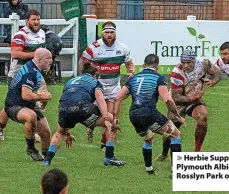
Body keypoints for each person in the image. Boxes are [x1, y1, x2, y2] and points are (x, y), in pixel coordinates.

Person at [113, 54, 185, 174]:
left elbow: (117, 98)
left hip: (134, 115)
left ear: (143, 65)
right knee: (175, 135)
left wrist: (115, 118)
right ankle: (175, 171)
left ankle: (149, 170)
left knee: (148, 137)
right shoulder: (158, 78)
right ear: (157, 67)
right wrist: (178, 116)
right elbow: (167, 100)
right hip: (149, 113)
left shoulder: (133, 78)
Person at [43, 62, 125, 167]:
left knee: (60, 132)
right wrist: (106, 118)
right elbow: (100, 99)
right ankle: (109, 157)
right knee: (112, 122)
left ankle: (47, 160)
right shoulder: (95, 82)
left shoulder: (70, 81)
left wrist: (67, 132)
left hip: (64, 108)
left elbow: (67, 99)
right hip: (83, 108)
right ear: (95, 75)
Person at [79, 21, 135, 149]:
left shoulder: (122, 48)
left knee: (112, 116)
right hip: (96, 88)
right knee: (94, 116)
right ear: (102, 33)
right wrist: (85, 77)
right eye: (106, 32)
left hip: (114, 88)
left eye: (111, 32)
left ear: (115, 33)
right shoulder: (93, 47)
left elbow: (130, 63)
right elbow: (83, 62)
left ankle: (105, 145)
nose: (109, 35)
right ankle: (91, 127)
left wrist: (131, 72)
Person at [158, 50, 221, 160]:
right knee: (171, 131)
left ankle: (197, 152)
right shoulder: (177, 72)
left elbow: (217, 72)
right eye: (183, 62)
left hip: (195, 100)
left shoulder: (203, 63)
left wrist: (213, 81)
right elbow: (177, 98)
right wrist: (196, 97)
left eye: (188, 62)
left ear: (194, 61)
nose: (185, 65)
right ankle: (164, 153)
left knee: (202, 117)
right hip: (179, 102)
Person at [0, 9, 46, 142]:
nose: (36, 22)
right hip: (18, 73)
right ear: (27, 21)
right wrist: (37, 55)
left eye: (38, 19)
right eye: (33, 20)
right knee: (13, 105)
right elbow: (15, 54)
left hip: (34, 73)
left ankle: (36, 128)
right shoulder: (21, 35)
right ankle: (0, 128)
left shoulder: (42, 33)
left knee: (42, 98)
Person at [3, 48, 52, 161]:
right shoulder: (31, 72)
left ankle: (46, 159)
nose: (51, 61)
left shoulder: (35, 68)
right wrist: (42, 96)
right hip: (14, 105)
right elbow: (26, 95)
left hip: (28, 104)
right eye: (48, 58)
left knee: (46, 133)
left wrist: (39, 94)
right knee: (31, 116)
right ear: (39, 59)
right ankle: (31, 148)